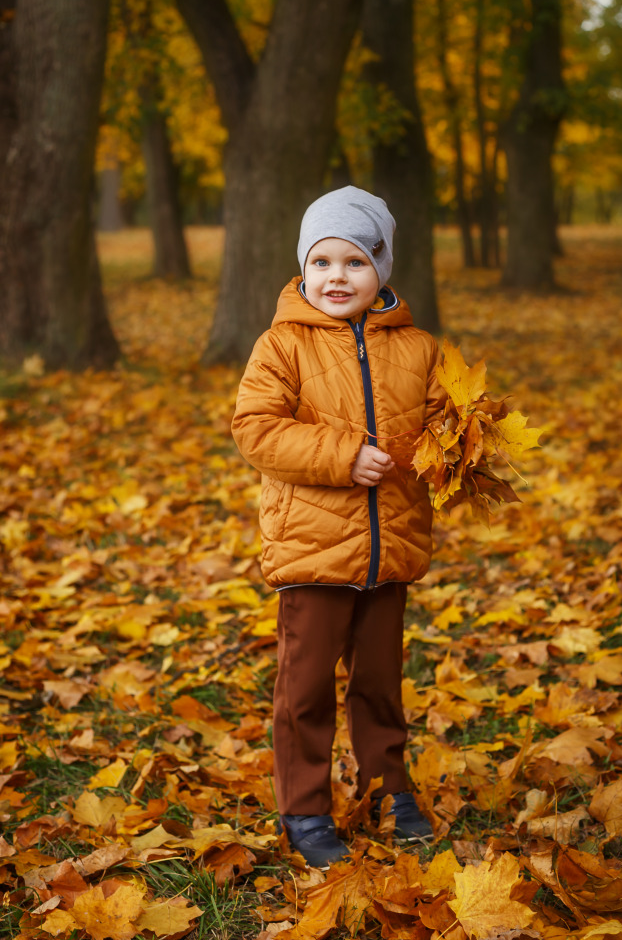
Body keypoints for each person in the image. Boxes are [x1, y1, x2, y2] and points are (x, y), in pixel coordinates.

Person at [231, 186, 445, 868]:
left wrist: (461, 444)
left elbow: (444, 428)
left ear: (380, 269)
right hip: (312, 547)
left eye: (353, 262)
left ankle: (387, 786)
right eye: (320, 261)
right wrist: (342, 456)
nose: (335, 277)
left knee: (379, 679)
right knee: (306, 684)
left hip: (390, 549)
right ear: (302, 269)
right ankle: (303, 806)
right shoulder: (281, 345)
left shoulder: (419, 349)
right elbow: (256, 430)